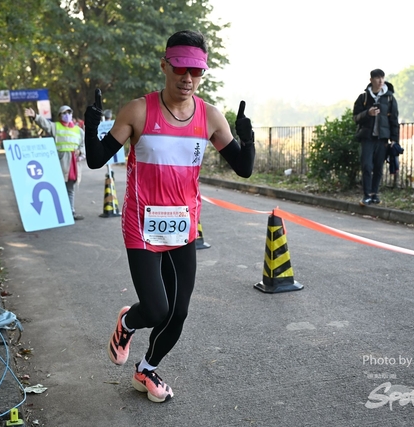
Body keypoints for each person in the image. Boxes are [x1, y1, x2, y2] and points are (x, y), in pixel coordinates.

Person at [84, 29, 255, 403]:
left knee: (178, 314)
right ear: (164, 66)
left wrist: (248, 138)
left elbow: (243, 168)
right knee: (156, 308)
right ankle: (128, 322)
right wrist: (91, 125)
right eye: (180, 68)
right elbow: (96, 159)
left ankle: (146, 369)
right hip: (142, 225)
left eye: (196, 71)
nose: (187, 78)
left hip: (183, 227)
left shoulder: (210, 117)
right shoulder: (138, 111)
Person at [24, 105, 86, 220]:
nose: (67, 115)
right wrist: (35, 116)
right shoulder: (55, 127)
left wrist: (80, 151)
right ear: (59, 116)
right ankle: (58, 212)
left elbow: (83, 144)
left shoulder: (79, 130)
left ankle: (70, 212)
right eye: (64, 113)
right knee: (58, 188)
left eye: (69, 112)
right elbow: (45, 124)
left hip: (74, 164)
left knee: (70, 189)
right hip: (60, 163)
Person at [353, 68, 400, 206]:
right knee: (367, 166)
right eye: (377, 78)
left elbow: (394, 120)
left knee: (379, 167)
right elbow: (355, 118)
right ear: (371, 80)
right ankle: (366, 195)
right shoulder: (363, 98)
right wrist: (368, 113)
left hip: (382, 139)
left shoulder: (390, 98)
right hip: (367, 138)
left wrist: (394, 140)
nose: (380, 81)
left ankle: (374, 194)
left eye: (382, 78)